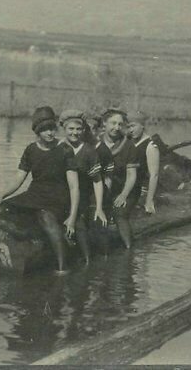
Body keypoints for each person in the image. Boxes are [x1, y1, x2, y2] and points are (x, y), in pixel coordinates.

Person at [0, 106, 80, 273]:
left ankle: (62, 268)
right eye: (44, 130)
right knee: (0, 209)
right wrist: (1, 194)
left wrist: (72, 218)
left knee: (46, 217)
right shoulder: (31, 150)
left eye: (52, 128)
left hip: (58, 196)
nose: (50, 133)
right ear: (37, 131)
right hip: (35, 194)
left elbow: (74, 186)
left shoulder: (65, 150)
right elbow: (18, 179)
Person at [59, 109, 107, 265]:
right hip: (60, 194)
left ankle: (87, 260)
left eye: (79, 129)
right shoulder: (58, 147)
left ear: (84, 130)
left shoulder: (88, 151)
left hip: (82, 196)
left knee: (78, 222)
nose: (75, 133)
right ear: (64, 129)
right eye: (71, 129)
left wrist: (99, 208)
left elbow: (97, 181)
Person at [99, 108, 139, 249]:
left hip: (124, 189)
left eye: (120, 124)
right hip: (101, 188)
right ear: (104, 123)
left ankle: (129, 251)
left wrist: (123, 195)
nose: (117, 128)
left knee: (119, 214)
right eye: (113, 123)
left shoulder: (128, 146)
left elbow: (131, 175)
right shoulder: (95, 144)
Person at [127, 110, 161, 214]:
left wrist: (149, 201)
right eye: (128, 127)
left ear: (142, 126)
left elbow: (154, 175)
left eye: (133, 126)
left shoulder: (150, 146)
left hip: (142, 190)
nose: (130, 130)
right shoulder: (129, 142)